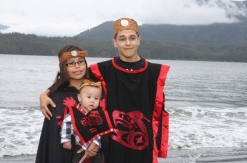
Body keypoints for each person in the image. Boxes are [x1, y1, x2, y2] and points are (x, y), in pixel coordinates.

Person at [40, 17, 170, 163]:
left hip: (143, 147)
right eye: (122, 39)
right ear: (114, 42)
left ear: (139, 39)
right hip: (111, 149)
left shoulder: (155, 72)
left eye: (132, 38)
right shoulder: (101, 70)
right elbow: (72, 78)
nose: (128, 43)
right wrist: (46, 93)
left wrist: (159, 146)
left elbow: (159, 115)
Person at [36, 45, 99, 163]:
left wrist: (97, 144)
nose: (77, 66)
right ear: (63, 68)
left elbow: (104, 121)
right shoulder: (56, 96)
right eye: (71, 63)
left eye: (80, 62)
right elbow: (51, 136)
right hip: (62, 153)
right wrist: (45, 94)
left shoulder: (95, 91)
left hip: (92, 152)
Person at [61, 79, 112, 163]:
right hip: (79, 146)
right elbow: (66, 126)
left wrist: (96, 143)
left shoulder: (98, 114)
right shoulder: (74, 114)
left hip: (95, 148)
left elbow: (100, 132)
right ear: (80, 97)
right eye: (89, 97)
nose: (92, 100)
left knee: (100, 160)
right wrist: (66, 140)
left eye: (96, 98)